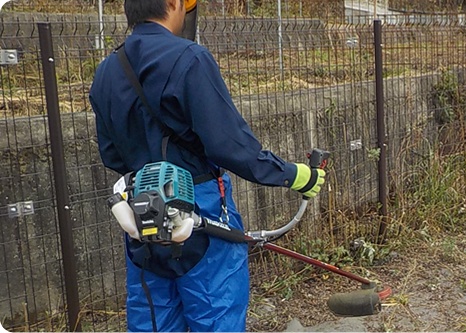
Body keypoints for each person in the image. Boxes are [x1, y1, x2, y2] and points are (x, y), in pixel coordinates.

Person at [88, 0, 325, 332]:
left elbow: (112, 155)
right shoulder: (189, 58)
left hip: (141, 212)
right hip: (199, 206)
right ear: (172, 3)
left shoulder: (107, 70)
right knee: (216, 316)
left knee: (153, 320)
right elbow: (228, 144)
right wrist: (291, 174)